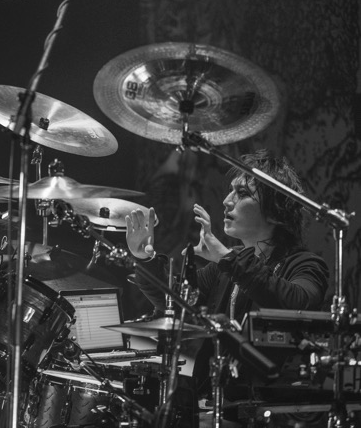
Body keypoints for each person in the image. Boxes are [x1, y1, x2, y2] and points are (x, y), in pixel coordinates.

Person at [125, 149, 329, 423]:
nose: (226, 200)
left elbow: (296, 303)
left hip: (268, 415)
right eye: (230, 190)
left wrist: (227, 258)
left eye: (242, 193)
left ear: (275, 211)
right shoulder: (228, 266)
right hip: (218, 405)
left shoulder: (306, 265)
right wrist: (144, 258)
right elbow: (173, 302)